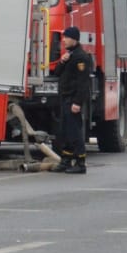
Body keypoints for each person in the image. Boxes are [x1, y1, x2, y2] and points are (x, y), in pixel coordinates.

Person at [50, 25, 94, 174]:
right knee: (65, 131)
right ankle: (66, 160)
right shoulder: (69, 56)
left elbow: (83, 83)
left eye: (66, 37)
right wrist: (62, 61)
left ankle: (81, 162)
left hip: (72, 99)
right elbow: (56, 74)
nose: (64, 40)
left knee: (75, 131)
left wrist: (77, 102)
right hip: (64, 98)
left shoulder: (81, 57)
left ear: (74, 39)